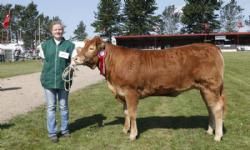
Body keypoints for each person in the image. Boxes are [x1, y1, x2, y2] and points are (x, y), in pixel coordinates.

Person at [39, 20, 76, 143]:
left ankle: (65, 130)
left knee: (63, 106)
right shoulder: (44, 45)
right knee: (51, 107)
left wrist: (72, 65)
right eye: (55, 29)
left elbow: (73, 60)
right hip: (48, 81)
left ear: (63, 30)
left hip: (63, 82)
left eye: (60, 29)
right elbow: (43, 61)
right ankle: (52, 133)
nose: (58, 31)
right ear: (52, 31)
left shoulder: (70, 45)